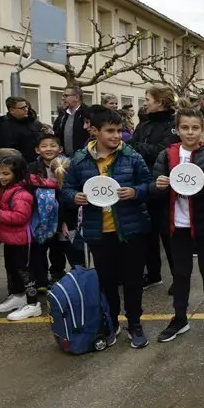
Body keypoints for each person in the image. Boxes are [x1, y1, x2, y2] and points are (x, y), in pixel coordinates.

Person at [62, 106, 153, 349]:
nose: (116, 136)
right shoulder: (80, 160)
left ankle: (135, 323)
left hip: (131, 230)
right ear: (94, 131)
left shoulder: (132, 156)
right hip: (99, 232)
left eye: (119, 131)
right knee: (107, 281)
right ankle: (111, 322)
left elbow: (149, 184)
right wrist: (75, 197)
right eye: (110, 131)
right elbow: (67, 188)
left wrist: (135, 192)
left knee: (133, 281)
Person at [152, 108, 204, 342]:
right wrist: (158, 184)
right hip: (177, 225)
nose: (190, 132)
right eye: (185, 127)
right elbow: (153, 191)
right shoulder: (165, 157)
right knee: (181, 273)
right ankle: (179, 318)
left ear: (202, 130)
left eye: (195, 127)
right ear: (177, 129)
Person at [129, 87, 179, 290]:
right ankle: (153, 273)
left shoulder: (172, 125)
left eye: (148, 99)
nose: (145, 103)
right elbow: (132, 144)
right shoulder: (144, 123)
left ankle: (178, 276)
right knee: (147, 233)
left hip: (164, 186)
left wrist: (137, 147)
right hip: (143, 185)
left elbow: (164, 151)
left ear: (160, 101)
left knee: (168, 235)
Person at [0, 154, 41, 321]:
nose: (1, 177)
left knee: (24, 271)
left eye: (6, 174)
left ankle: (33, 304)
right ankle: (18, 296)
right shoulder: (5, 188)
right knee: (11, 268)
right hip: (9, 238)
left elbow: (20, 217)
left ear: (17, 174)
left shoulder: (21, 193)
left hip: (22, 240)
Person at [26, 135, 70, 291]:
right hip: (40, 215)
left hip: (61, 213)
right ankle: (40, 280)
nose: (49, 149)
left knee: (58, 247)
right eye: (44, 146)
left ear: (60, 149)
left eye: (53, 145)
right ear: (37, 150)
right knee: (39, 248)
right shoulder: (32, 168)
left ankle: (58, 274)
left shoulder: (67, 165)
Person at [0, 96, 45, 163]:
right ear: (11, 110)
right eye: (22, 108)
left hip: (36, 161)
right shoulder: (6, 126)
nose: (26, 109)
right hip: (22, 164)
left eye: (26, 106)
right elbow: (8, 150)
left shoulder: (29, 121)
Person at [52, 86, 89, 157]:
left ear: (77, 98)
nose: (63, 98)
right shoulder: (63, 114)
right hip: (64, 158)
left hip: (83, 158)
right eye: (62, 96)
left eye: (66, 96)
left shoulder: (87, 113)